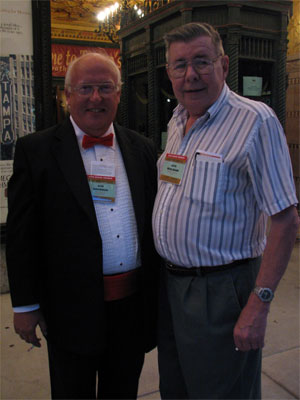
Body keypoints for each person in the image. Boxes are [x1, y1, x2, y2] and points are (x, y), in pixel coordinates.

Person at [152, 22, 299, 399]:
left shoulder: (255, 120)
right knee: (178, 389)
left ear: (223, 64)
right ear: (169, 72)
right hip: (172, 287)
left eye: (202, 61)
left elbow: (284, 219)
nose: (191, 75)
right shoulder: (178, 120)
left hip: (221, 293)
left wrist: (259, 305)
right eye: (179, 65)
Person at [6, 52, 159, 400]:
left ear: (119, 94)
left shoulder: (142, 148)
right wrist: (25, 306)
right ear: (67, 94)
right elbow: (21, 236)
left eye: (105, 88)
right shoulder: (37, 150)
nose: (96, 97)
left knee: (122, 391)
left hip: (132, 309)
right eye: (86, 88)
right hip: (69, 309)